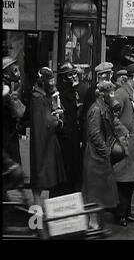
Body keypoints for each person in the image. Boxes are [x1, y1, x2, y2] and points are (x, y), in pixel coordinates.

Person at [82, 81, 120, 228]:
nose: (112, 96)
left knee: (101, 190)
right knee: (94, 191)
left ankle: (97, 220)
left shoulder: (105, 107)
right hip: (95, 155)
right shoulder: (96, 109)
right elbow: (95, 134)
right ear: (102, 94)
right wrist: (106, 152)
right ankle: (92, 221)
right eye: (110, 93)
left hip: (100, 155)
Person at [112, 63, 134, 227]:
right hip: (124, 143)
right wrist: (124, 132)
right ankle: (120, 213)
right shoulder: (121, 93)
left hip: (133, 143)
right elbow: (113, 116)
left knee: (129, 181)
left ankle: (127, 211)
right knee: (122, 180)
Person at [30, 67, 66, 206]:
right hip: (43, 145)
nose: (52, 83)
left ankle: (38, 220)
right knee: (39, 183)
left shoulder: (41, 96)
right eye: (50, 80)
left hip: (45, 144)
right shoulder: (38, 98)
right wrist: (57, 118)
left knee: (40, 182)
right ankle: (37, 221)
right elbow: (46, 122)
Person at [56, 61, 82, 193]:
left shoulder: (73, 92)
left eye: (74, 74)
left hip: (73, 136)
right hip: (65, 139)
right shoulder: (59, 94)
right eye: (70, 75)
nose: (73, 77)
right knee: (65, 169)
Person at [2, 56, 26, 165]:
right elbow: (19, 112)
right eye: (14, 70)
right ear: (6, 73)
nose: (18, 73)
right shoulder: (6, 91)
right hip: (7, 136)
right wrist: (16, 94)